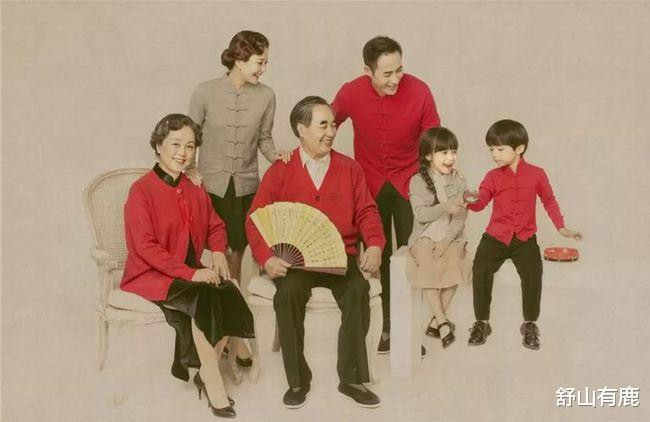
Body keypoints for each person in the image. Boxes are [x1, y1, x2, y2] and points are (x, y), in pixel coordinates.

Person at [245, 96, 385, 409]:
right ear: (301, 129)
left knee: (358, 291)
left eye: (333, 125)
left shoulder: (349, 168)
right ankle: (297, 380)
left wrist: (375, 243)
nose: (332, 132)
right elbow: (255, 219)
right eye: (323, 125)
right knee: (287, 295)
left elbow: (367, 211)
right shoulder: (281, 170)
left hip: (340, 257)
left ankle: (351, 378)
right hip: (296, 263)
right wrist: (267, 257)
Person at [121, 114, 255, 418]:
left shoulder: (194, 184)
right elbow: (145, 248)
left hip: (187, 271)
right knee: (206, 294)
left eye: (190, 146)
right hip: (150, 275)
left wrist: (217, 252)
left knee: (226, 288)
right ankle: (213, 381)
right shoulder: (141, 191)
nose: (183, 153)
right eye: (175, 144)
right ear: (158, 146)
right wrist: (192, 273)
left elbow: (215, 225)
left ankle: (211, 367)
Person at [331, 35, 441, 352]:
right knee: (376, 257)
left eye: (399, 71)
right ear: (368, 71)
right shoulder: (350, 92)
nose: (395, 80)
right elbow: (324, 125)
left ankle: (409, 330)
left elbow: (433, 140)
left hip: (410, 183)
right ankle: (387, 327)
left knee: (409, 256)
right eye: (387, 74)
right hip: (369, 184)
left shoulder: (420, 90)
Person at [188, 30, 288, 365]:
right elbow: (189, 136)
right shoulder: (204, 91)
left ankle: (234, 336)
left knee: (235, 258)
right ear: (240, 59)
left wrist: (277, 156)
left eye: (266, 62)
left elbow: (264, 139)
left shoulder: (267, 96)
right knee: (207, 259)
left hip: (244, 187)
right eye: (260, 62)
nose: (264, 69)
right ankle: (211, 335)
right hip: (208, 187)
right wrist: (190, 168)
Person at [465, 119, 583, 350]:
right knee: (480, 270)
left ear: (519, 148)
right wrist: (468, 200)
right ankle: (482, 322)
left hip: (525, 238)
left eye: (500, 149)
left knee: (533, 273)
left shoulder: (537, 174)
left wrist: (561, 227)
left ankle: (529, 324)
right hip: (495, 237)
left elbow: (549, 200)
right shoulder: (491, 176)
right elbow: (481, 202)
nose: (494, 154)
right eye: (491, 150)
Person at [406, 127, 471, 349]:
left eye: (453, 152)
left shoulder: (459, 179)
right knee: (427, 261)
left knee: (456, 261)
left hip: (451, 233)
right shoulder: (417, 181)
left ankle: (436, 322)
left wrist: (446, 241)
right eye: (444, 152)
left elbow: (461, 216)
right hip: (425, 233)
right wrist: (445, 206)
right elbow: (421, 215)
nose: (450, 158)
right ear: (428, 155)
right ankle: (443, 321)